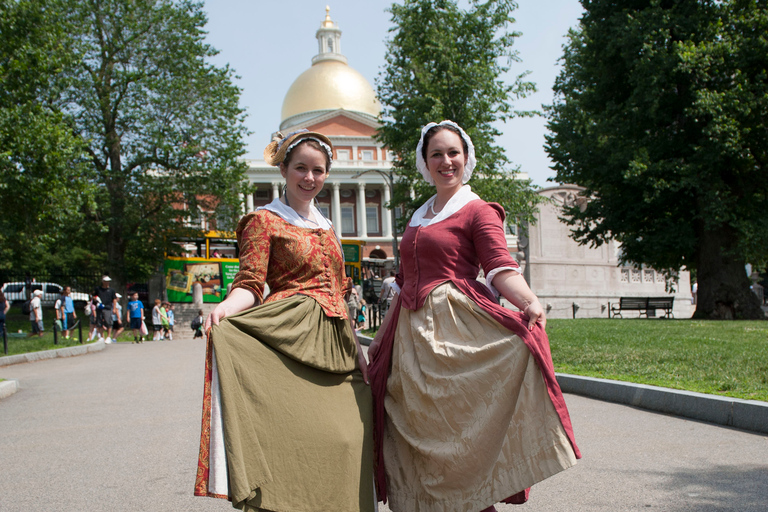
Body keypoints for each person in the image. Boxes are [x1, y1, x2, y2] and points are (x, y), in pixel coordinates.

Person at [368, 121, 581, 512]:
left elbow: (499, 265)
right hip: (409, 335)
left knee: (458, 426)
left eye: (453, 153)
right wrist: (387, 319)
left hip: (455, 330)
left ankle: (472, 504)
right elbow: (405, 277)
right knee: (416, 425)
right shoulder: (419, 215)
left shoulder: (477, 209)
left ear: (466, 158)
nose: (446, 161)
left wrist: (528, 300)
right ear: (425, 161)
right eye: (437, 154)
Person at [195, 130, 373, 512]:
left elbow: (340, 295)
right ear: (283, 169)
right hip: (290, 334)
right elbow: (250, 282)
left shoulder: (327, 227)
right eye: (301, 168)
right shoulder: (264, 220)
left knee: (348, 439)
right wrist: (227, 307)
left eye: (318, 170)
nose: (310, 178)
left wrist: (359, 351)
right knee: (294, 438)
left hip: (338, 341)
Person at [93, 276, 117, 343]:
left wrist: (114, 308)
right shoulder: (98, 289)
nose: (107, 283)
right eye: (106, 281)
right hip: (99, 308)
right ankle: (102, 336)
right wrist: (95, 299)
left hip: (108, 308)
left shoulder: (111, 290)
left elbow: (114, 299)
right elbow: (94, 296)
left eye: (108, 281)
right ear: (103, 282)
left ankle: (109, 336)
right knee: (99, 322)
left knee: (108, 322)